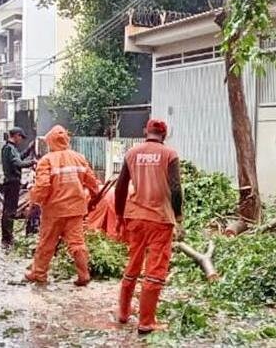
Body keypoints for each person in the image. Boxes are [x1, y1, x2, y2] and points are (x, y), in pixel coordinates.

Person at [114, 118, 183, 335]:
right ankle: (146, 321)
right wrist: (178, 215)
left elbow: (121, 185)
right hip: (160, 219)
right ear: (165, 134)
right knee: (155, 271)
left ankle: (123, 313)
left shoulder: (132, 153)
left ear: (146, 131)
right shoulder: (169, 154)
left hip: (135, 216)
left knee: (133, 264)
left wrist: (118, 213)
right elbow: (176, 188)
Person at [25, 125, 98, 286]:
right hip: (76, 208)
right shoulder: (79, 157)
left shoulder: (47, 160)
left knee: (47, 243)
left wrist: (35, 203)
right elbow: (92, 181)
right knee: (77, 243)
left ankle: (39, 273)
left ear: (50, 141)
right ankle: (84, 274)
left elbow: (43, 186)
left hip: (54, 210)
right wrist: (93, 197)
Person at [0, 127, 35, 249]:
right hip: (12, 183)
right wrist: (33, 162)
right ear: (16, 136)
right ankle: (7, 239)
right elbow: (18, 163)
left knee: (8, 211)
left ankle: (7, 238)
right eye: (21, 137)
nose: (21, 140)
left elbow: (19, 158)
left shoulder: (9, 148)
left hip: (11, 183)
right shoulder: (9, 148)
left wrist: (29, 149)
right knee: (9, 212)